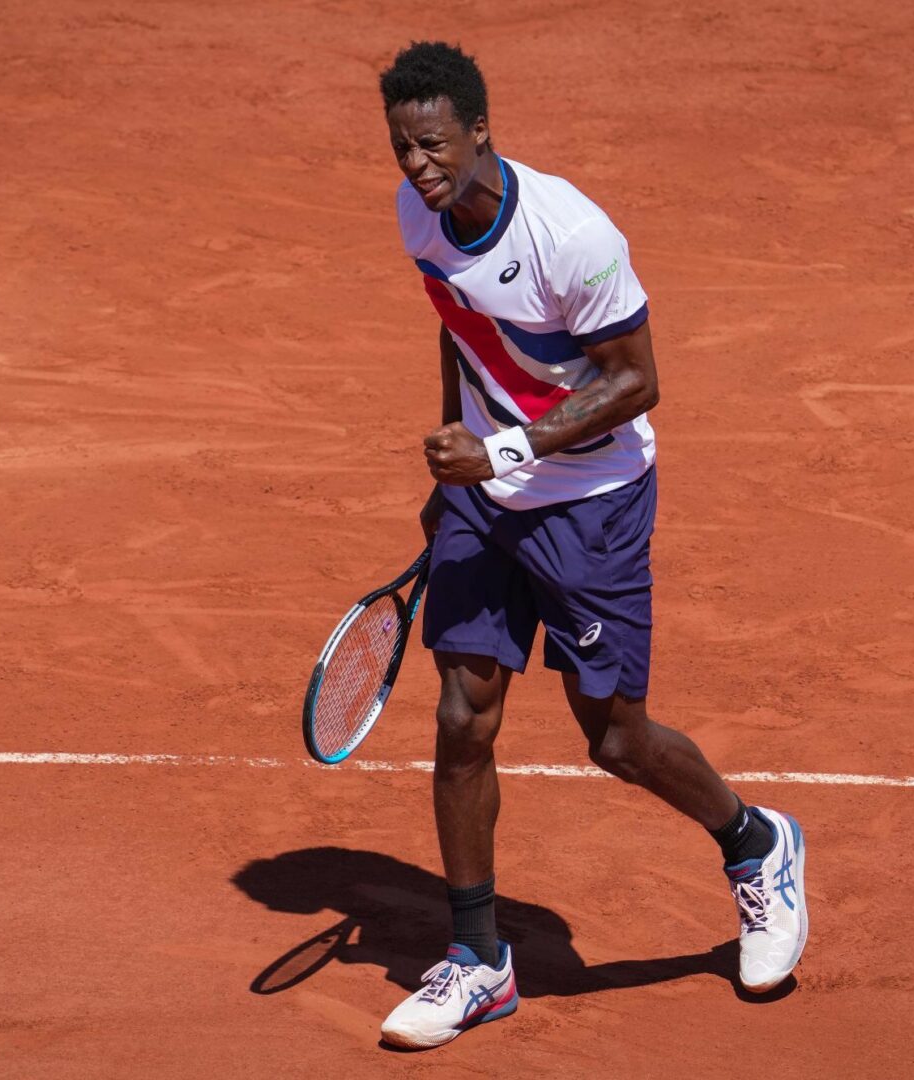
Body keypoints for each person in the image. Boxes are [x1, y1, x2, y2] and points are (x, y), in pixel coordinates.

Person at [375, 42, 809, 1050]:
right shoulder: (418, 218)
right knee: (462, 713)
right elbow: (460, 325)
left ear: (482, 131)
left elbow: (637, 382)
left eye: (433, 144)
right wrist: (455, 463)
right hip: (490, 495)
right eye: (401, 147)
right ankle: (479, 959)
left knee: (614, 739)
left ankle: (755, 844)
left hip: (594, 501)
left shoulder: (573, 236)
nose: (417, 166)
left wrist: (507, 448)